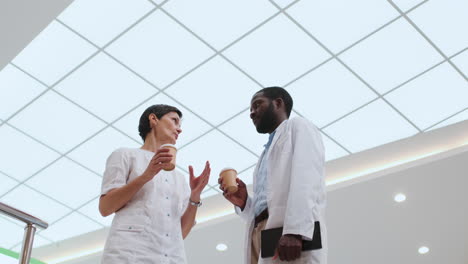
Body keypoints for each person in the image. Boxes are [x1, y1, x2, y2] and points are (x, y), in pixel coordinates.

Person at [220, 87, 327, 264]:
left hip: (289, 231)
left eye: (257, 105)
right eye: (251, 109)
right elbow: (269, 203)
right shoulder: (265, 154)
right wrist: (245, 202)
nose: (252, 113)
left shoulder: (298, 126)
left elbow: (307, 178)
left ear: (278, 103)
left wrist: (295, 231)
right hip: (263, 232)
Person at [99, 104, 211, 264]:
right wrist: (147, 175)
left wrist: (195, 195)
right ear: (153, 119)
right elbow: (105, 207)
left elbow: (181, 233)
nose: (179, 129)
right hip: (128, 255)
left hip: (172, 258)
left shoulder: (179, 178)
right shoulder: (125, 155)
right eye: (174, 121)